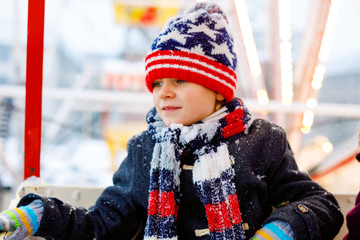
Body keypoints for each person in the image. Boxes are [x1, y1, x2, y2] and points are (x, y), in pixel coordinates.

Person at [0, 2, 343, 240]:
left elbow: (320, 205)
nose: (164, 93)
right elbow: (104, 224)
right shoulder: (143, 149)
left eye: (180, 81)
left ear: (218, 90)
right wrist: (41, 215)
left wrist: (278, 232)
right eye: (157, 83)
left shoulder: (261, 140)